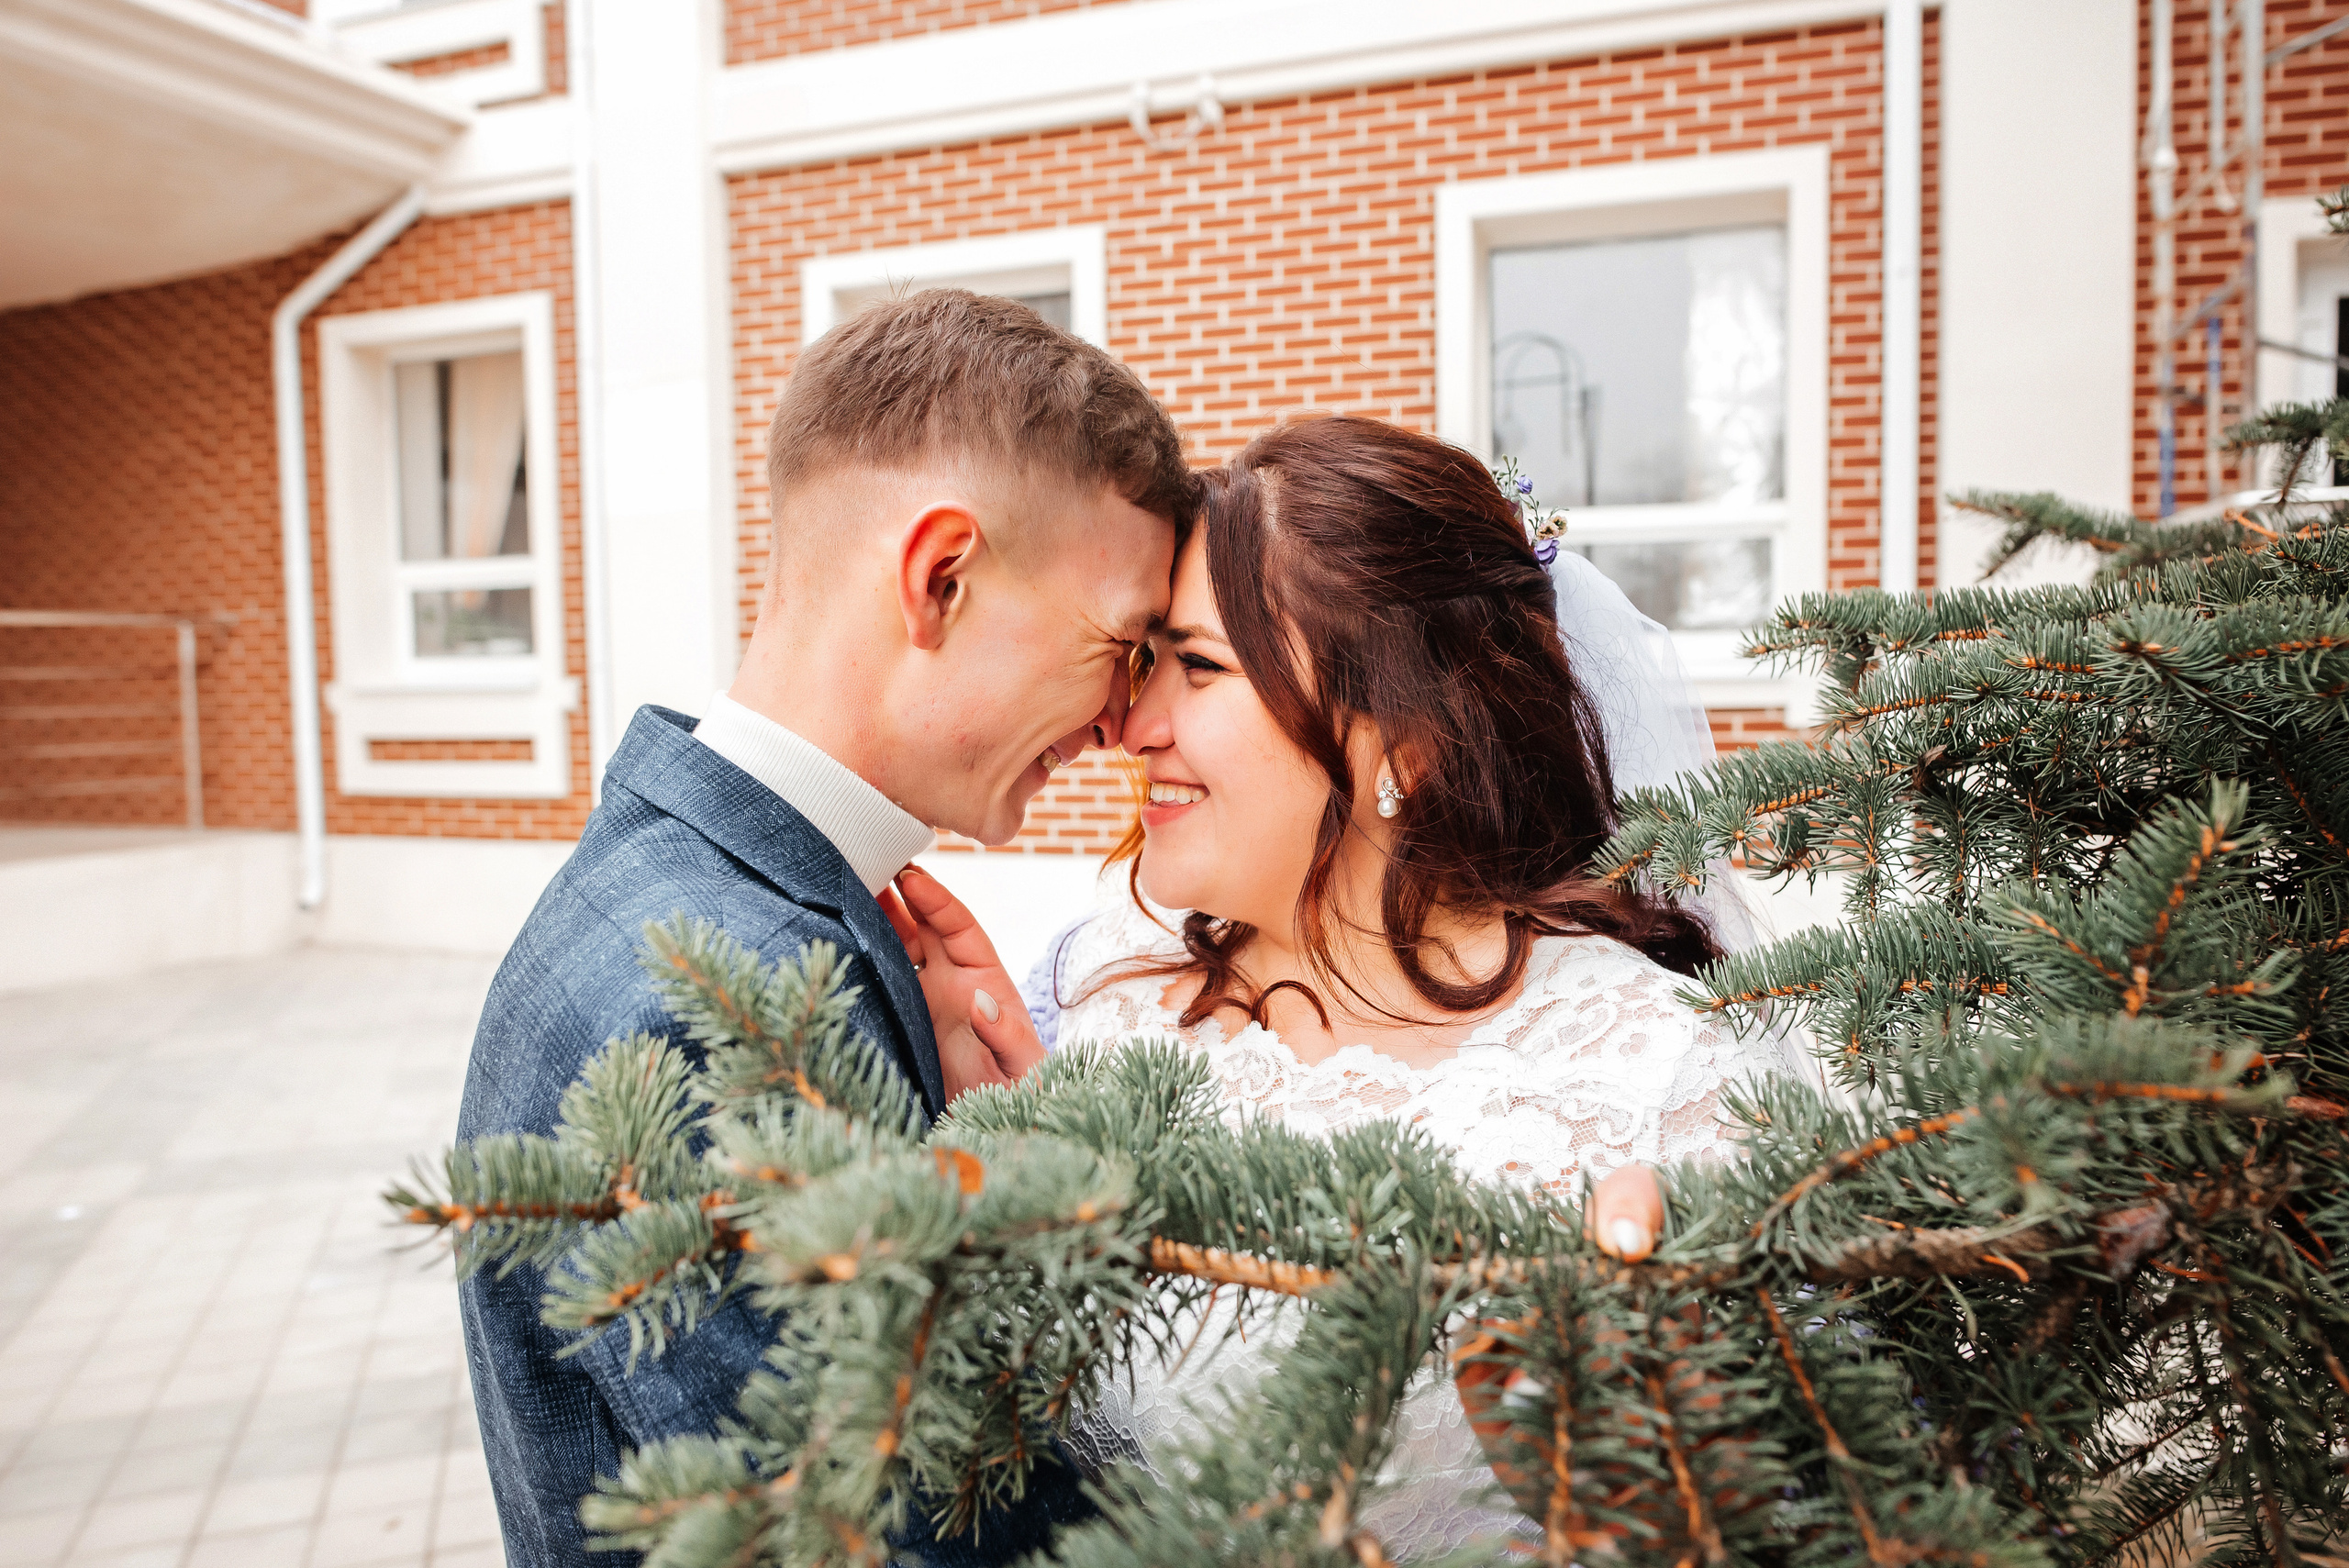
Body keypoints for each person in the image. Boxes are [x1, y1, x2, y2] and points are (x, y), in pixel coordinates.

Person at [912, 415, 1791, 1558]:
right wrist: (994, 1124)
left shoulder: (1658, 1074)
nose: (1129, 724)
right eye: (1143, 663)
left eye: (1199, 665)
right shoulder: (1094, 989)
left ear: (1405, 744)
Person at [453, 289, 1195, 1568]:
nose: (1120, 722)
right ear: (940, 577)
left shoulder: (711, 893)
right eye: (1121, 643)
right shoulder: (713, 1002)